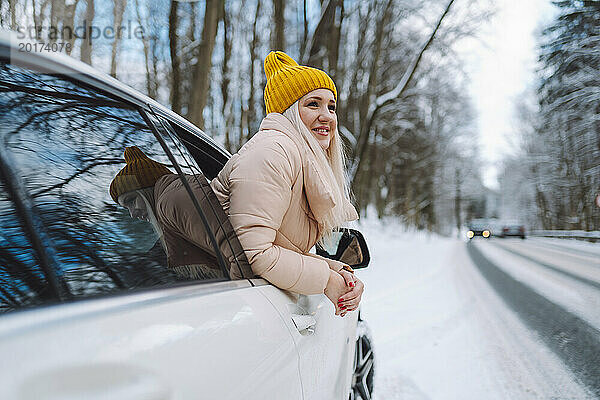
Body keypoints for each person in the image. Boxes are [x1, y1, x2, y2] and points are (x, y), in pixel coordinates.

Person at [210, 51, 365, 316]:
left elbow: (283, 248)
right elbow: (254, 254)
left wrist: (337, 271)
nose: (327, 116)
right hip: (227, 314)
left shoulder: (297, 157)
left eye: (331, 106)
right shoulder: (272, 153)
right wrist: (326, 281)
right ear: (290, 111)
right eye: (313, 104)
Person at [109, 146, 226, 280]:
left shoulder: (176, 204)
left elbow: (235, 254)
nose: (132, 214)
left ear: (148, 190)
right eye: (126, 208)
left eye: (131, 200)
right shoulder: (165, 241)